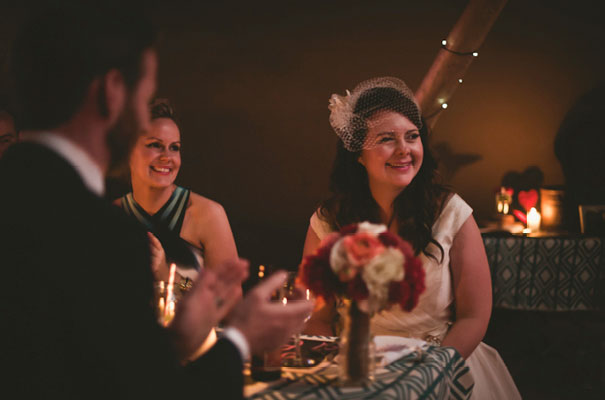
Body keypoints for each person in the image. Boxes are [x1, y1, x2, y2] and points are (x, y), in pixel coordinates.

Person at [0, 5, 312, 399]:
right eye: (143, 94)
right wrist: (240, 339)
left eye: (174, 147)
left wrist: (177, 341)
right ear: (112, 90)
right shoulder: (105, 231)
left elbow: (75, 363)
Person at [302, 77, 520, 399]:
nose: (404, 149)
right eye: (387, 139)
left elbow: (474, 317)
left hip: (443, 366)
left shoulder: (451, 213)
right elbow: (318, 317)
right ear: (358, 154)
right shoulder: (328, 222)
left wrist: (431, 373)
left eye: (412, 136)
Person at [117, 99, 237, 282]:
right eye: (155, 145)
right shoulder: (112, 215)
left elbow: (231, 297)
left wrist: (166, 275)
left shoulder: (208, 215)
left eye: (174, 148)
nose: (167, 157)